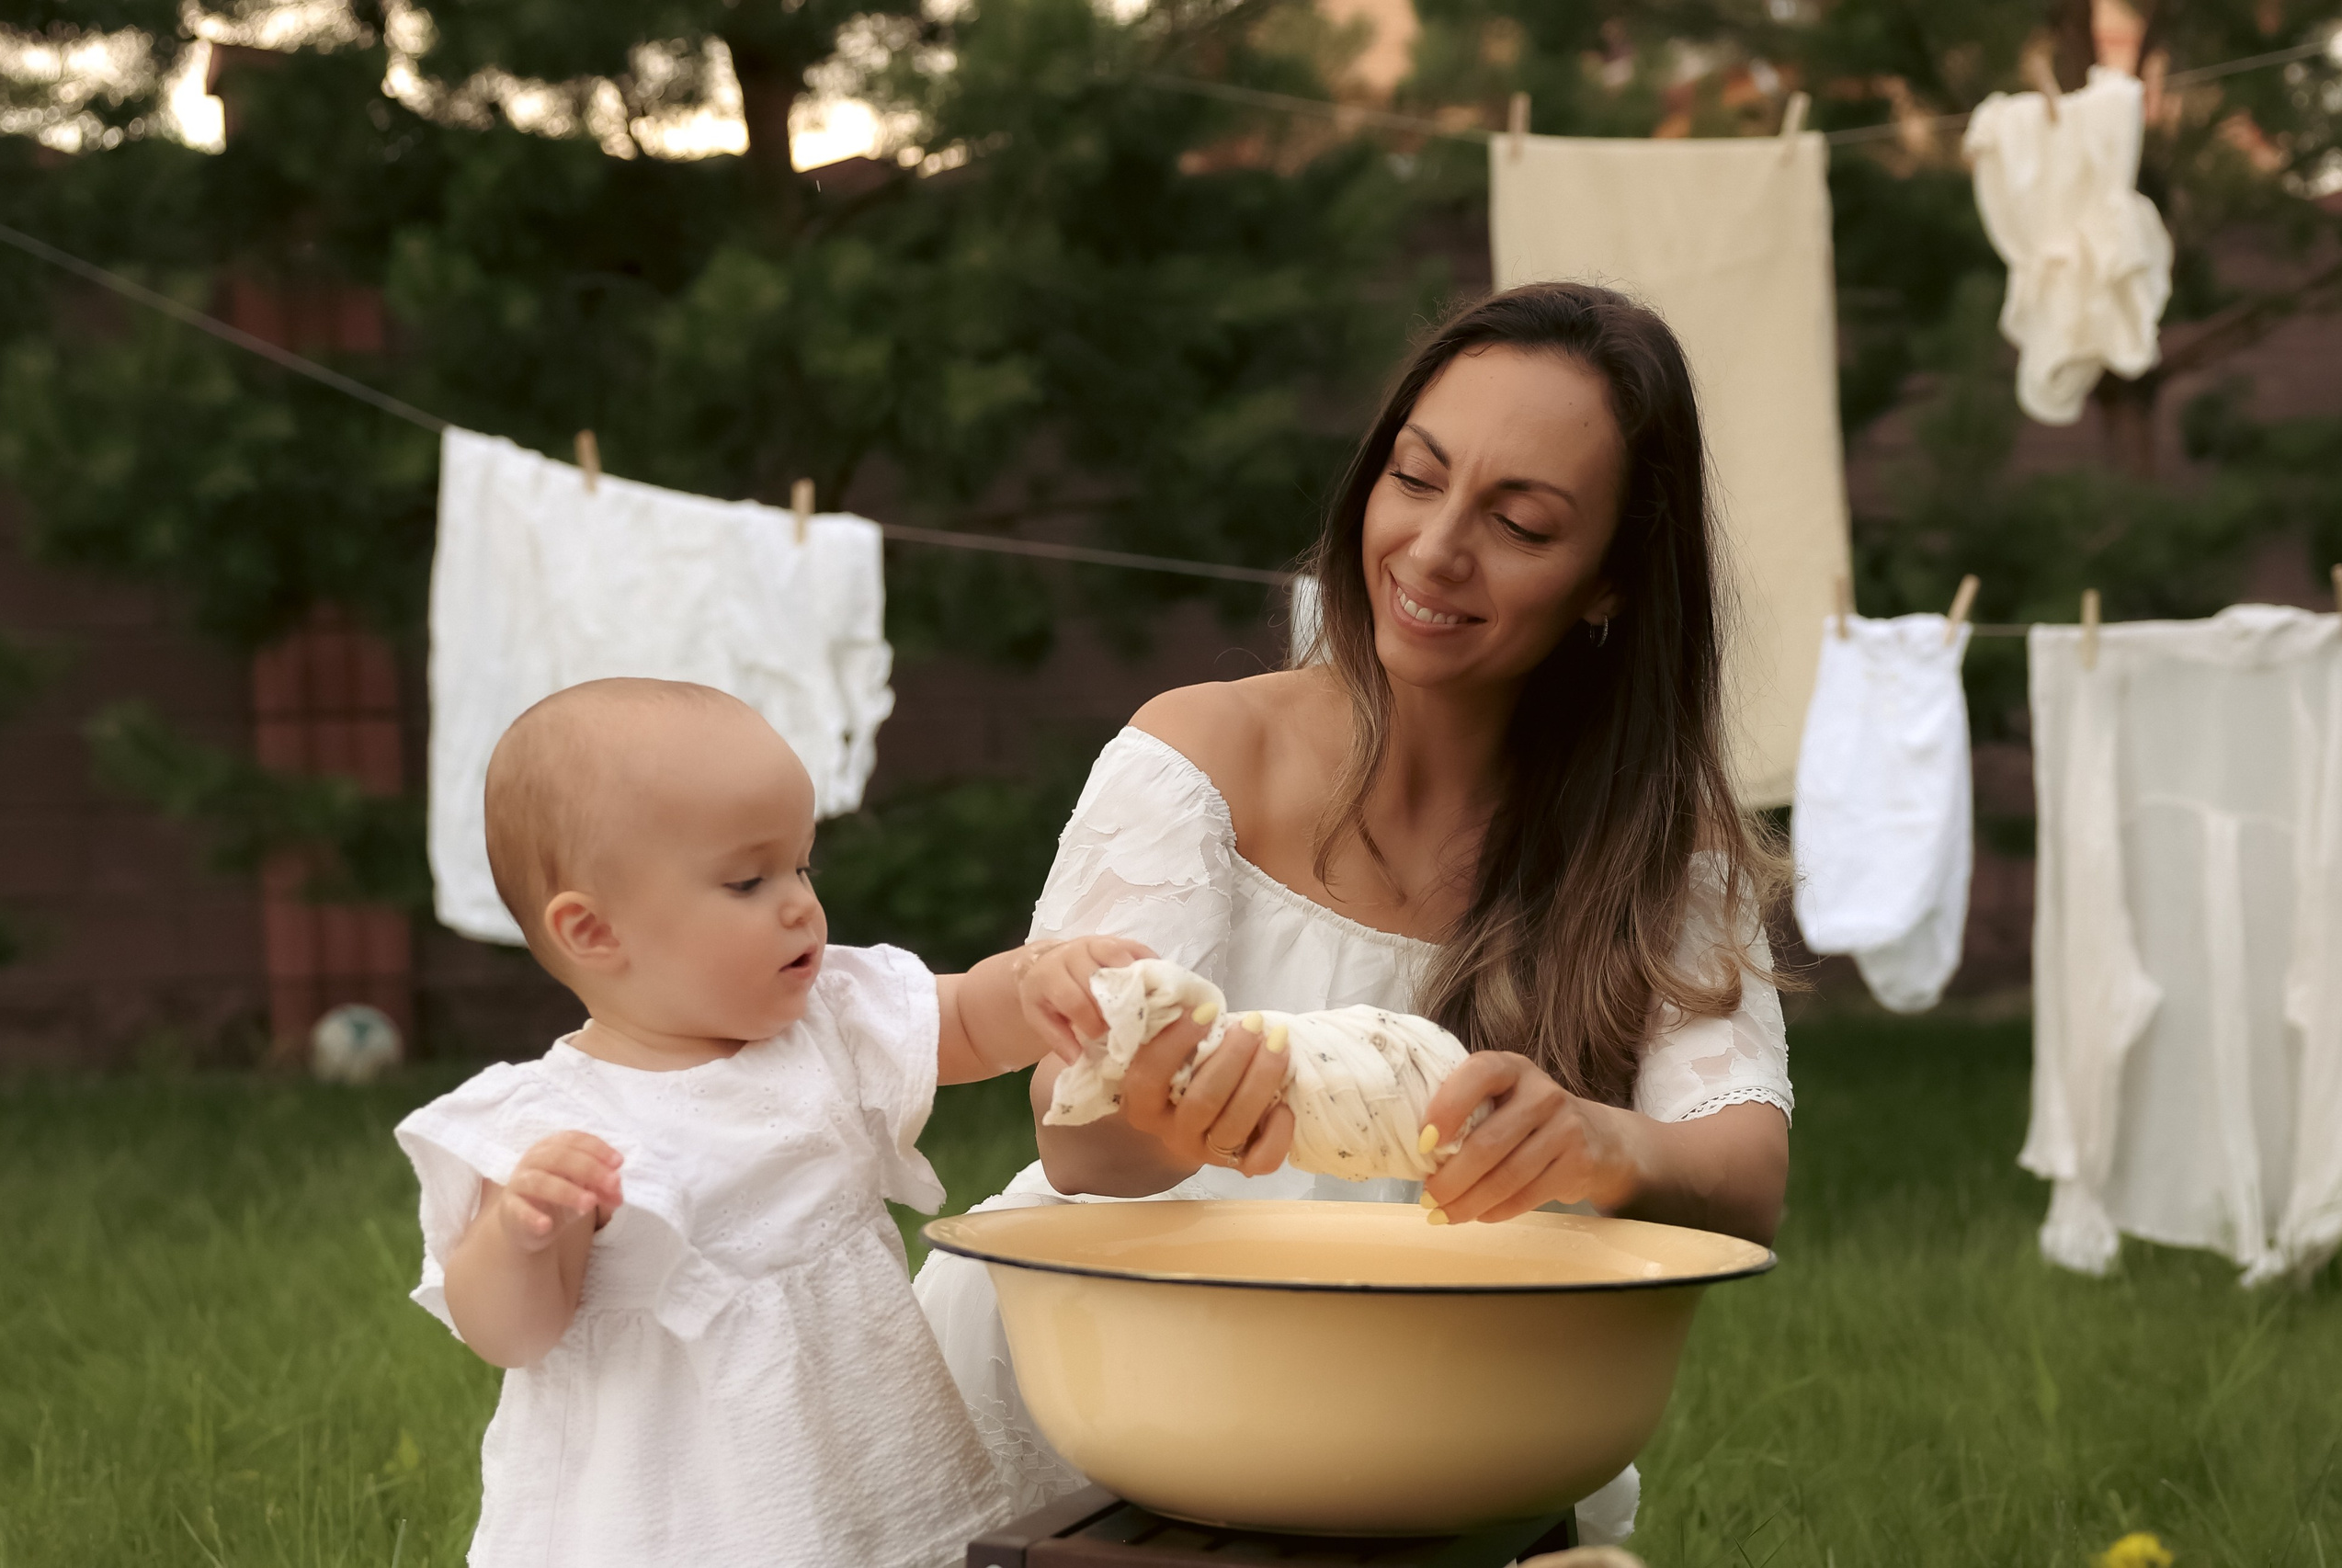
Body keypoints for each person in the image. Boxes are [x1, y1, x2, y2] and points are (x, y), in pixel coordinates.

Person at [915, 282, 1796, 1542]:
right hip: (1091, 1398)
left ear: (1609, 584)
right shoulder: (1200, 757)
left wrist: (1608, 1146)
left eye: (1521, 522)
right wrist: (1170, 1121)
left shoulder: (1662, 854)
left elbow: (1743, 1174)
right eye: (1416, 476)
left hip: (1434, 1418)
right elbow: (1077, 1140)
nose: (1437, 548)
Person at [392, 678, 1132, 1568]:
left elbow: (968, 1020)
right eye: (748, 879)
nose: (798, 903)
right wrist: (520, 1231)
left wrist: (1037, 983)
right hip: (665, 1507)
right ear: (593, 929)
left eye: (802, 864)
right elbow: (510, 1332)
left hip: (860, 1457)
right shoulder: (548, 1124)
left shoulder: (830, 1019)